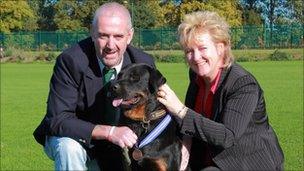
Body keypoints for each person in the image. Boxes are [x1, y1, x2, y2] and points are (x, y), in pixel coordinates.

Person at [33, 2, 156, 171]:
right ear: (92, 33)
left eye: (118, 36)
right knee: (69, 148)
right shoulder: (70, 61)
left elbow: (157, 108)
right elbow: (57, 119)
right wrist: (110, 132)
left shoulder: (143, 64)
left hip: (117, 146)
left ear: (130, 35)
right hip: (76, 138)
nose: (110, 45)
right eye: (103, 35)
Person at [157, 11, 284, 171]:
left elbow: (227, 136)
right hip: (207, 155)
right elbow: (190, 124)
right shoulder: (196, 76)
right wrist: (186, 147)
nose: (196, 57)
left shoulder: (242, 84)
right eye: (189, 51)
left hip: (246, 161)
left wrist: (180, 110)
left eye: (202, 48)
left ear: (220, 48)